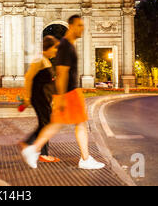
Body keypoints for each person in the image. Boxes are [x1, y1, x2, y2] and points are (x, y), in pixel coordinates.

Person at [21, 15, 105, 170]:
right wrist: (60, 97)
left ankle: (34, 149)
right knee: (69, 123)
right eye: (79, 25)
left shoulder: (67, 45)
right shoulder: (66, 46)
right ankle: (83, 158)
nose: (83, 28)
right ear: (71, 26)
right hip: (70, 92)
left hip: (69, 91)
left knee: (65, 123)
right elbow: (61, 73)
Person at [21, 35, 60, 163]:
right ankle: (40, 152)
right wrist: (27, 97)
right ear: (48, 47)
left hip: (45, 97)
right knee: (46, 124)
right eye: (55, 48)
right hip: (39, 97)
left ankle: (31, 145)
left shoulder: (45, 60)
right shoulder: (39, 59)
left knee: (45, 124)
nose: (56, 51)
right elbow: (28, 77)